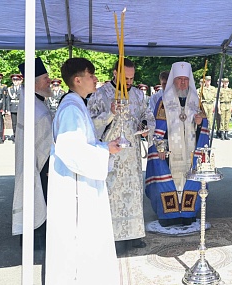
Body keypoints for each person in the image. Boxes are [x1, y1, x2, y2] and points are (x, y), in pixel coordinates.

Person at [45, 57, 121, 285]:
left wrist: (105, 147)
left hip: (81, 180)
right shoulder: (71, 108)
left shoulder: (78, 103)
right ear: (77, 80)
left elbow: (83, 144)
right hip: (75, 187)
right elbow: (71, 150)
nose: (96, 79)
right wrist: (103, 152)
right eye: (91, 75)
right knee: (78, 239)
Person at [87, 58, 155, 251]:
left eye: (132, 78)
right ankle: (112, 238)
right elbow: (90, 123)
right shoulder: (101, 94)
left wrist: (145, 127)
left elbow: (147, 115)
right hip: (111, 154)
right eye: (125, 78)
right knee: (112, 195)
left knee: (132, 195)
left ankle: (133, 235)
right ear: (115, 74)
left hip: (131, 155)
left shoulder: (138, 94)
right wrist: (109, 113)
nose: (129, 82)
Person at [145, 61, 209, 227]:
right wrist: (160, 147)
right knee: (169, 182)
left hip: (190, 152)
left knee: (189, 179)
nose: (182, 83)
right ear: (173, 80)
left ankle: (188, 213)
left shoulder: (197, 102)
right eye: (179, 79)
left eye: (186, 79)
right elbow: (157, 128)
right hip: (169, 153)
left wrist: (201, 122)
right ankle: (169, 216)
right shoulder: (164, 102)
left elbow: (204, 128)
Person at [12, 57, 53, 251]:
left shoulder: (34, 100)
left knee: (39, 197)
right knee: (38, 196)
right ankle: (36, 240)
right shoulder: (32, 106)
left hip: (40, 159)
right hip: (38, 162)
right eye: (45, 78)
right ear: (35, 83)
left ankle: (38, 238)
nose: (49, 81)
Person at [5, 74, 23, 142]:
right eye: (14, 80)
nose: (15, 81)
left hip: (20, 108)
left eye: (17, 80)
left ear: (19, 80)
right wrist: (8, 109)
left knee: (21, 123)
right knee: (14, 123)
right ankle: (15, 137)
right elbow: (7, 100)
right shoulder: (10, 89)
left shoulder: (23, 89)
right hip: (12, 108)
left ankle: (21, 136)